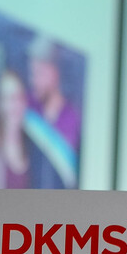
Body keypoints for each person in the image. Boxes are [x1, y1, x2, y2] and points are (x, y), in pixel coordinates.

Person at [24, 36, 82, 189]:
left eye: (39, 73)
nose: (33, 81)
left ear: (54, 73)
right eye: (32, 73)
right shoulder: (28, 108)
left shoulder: (73, 120)